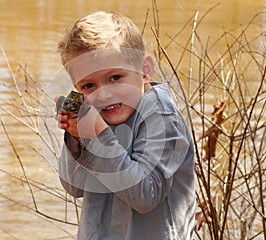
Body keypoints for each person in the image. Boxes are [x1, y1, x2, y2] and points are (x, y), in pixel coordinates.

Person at [55, 11, 196, 240]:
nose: (104, 94)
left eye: (115, 78)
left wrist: (100, 136)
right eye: (89, 85)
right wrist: (77, 137)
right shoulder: (99, 117)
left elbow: (146, 196)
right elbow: (74, 187)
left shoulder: (161, 117)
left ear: (145, 70)